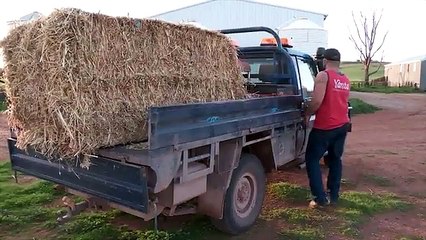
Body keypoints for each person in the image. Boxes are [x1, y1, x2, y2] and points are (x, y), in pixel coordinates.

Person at [304, 48, 351, 208]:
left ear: (324, 61)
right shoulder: (345, 79)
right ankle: (333, 195)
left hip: (325, 127)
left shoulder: (323, 75)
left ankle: (319, 198)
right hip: (342, 125)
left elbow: (317, 101)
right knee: (335, 159)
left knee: (311, 159)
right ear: (338, 62)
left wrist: (306, 113)